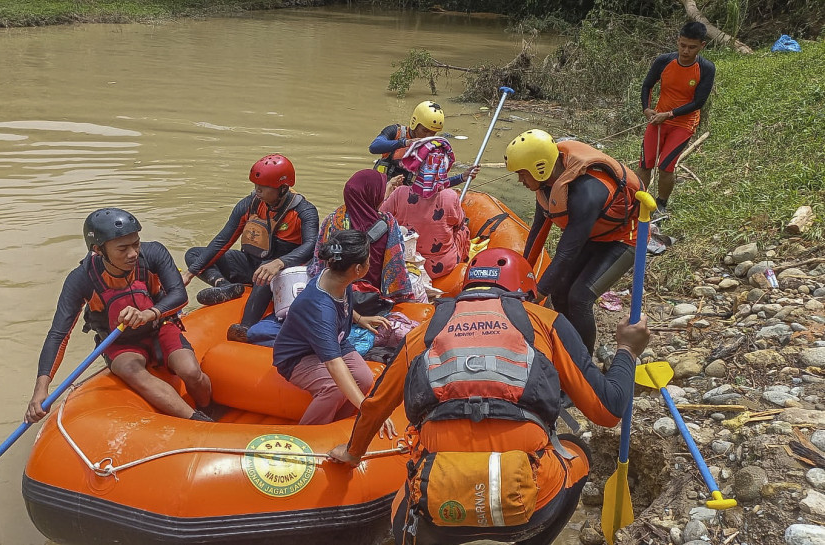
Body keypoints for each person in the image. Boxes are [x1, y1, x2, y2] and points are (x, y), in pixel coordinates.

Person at [327, 248, 650, 545]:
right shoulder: (547, 322)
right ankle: (530, 539)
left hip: (439, 508)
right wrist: (626, 350)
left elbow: (375, 406)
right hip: (529, 504)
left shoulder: (422, 333)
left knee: (404, 500)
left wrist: (354, 452)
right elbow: (608, 411)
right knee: (577, 453)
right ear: (524, 292)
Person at [25, 208, 214, 424]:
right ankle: (201, 423)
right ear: (98, 250)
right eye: (122, 248)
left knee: (190, 372)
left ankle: (209, 409)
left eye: (136, 244)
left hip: (159, 325)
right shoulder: (81, 279)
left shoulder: (153, 254)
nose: (133, 253)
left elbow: (179, 295)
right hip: (119, 341)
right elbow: (59, 334)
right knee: (130, 369)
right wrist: (41, 389)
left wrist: (147, 314)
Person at [505, 129, 644, 354]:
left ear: (539, 167)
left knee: (579, 297)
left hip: (624, 238)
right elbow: (538, 232)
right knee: (559, 291)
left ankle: (584, 361)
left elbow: (566, 254)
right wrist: (521, 276)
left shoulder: (587, 192)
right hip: (592, 234)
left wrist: (535, 296)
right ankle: (566, 347)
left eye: (522, 173)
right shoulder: (547, 183)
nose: (520, 180)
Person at [182, 154, 319, 343]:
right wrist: (190, 273)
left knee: (265, 272)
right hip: (252, 263)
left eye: (263, 188)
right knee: (194, 254)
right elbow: (224, 239)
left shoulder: (304, 211)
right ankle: (225, 286)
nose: (257, 191)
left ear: (283, 188)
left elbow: (311, 245)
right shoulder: (250, 204)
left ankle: (245, 327)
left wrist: (280, 263)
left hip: (279, 271)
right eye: (256, 186)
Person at [273, 229, 395, 429]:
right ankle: (307, 433)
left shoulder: (338, 276)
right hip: (298, 357)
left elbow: (343, 303)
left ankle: (337, 426)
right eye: (369, 259)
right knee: (334, 388)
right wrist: (367, 408)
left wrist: (359, 318)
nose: (370, 262)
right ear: (357, 269)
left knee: (364, 378)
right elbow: (334, 365)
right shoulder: (319, 308)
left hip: (335, 339)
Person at [636, 21, 716, 216]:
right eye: (683, 45)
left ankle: (661, 204)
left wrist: (669, 114)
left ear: (701, 46)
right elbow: (647, 86)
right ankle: (637, 201)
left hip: (683, 124)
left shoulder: (706, 68)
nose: (686, 51)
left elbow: (698, 102)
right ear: (678, 40)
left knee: (665, 166)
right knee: (646, 163)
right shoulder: (664, 61)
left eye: (692, 47)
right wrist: (647, 109)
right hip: (657, 120)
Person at [380, 136, 479, 279]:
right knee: (464, 229)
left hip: (405, 263)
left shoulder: (399, 193)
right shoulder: (450, 197)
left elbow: (381, 218)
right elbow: (458, 225)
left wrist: (388, 190)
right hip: (441, 267)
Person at [308, 169, 414, 301]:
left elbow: (319, 260)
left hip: (336, 293)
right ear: (374, 195)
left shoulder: (333, 220)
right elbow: (398, 259)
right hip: (373, 296)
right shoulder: (388, 222)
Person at [369, 100, 445, 184]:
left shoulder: (432, 147)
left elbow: (437, 180)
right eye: (425, 130)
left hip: (406, 192)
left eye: (433, 133)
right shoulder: (395, 132)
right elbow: (374, 147)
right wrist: (405, 142)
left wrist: (460, 178)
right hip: (382, 187)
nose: (428, 136)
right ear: (415, 123)